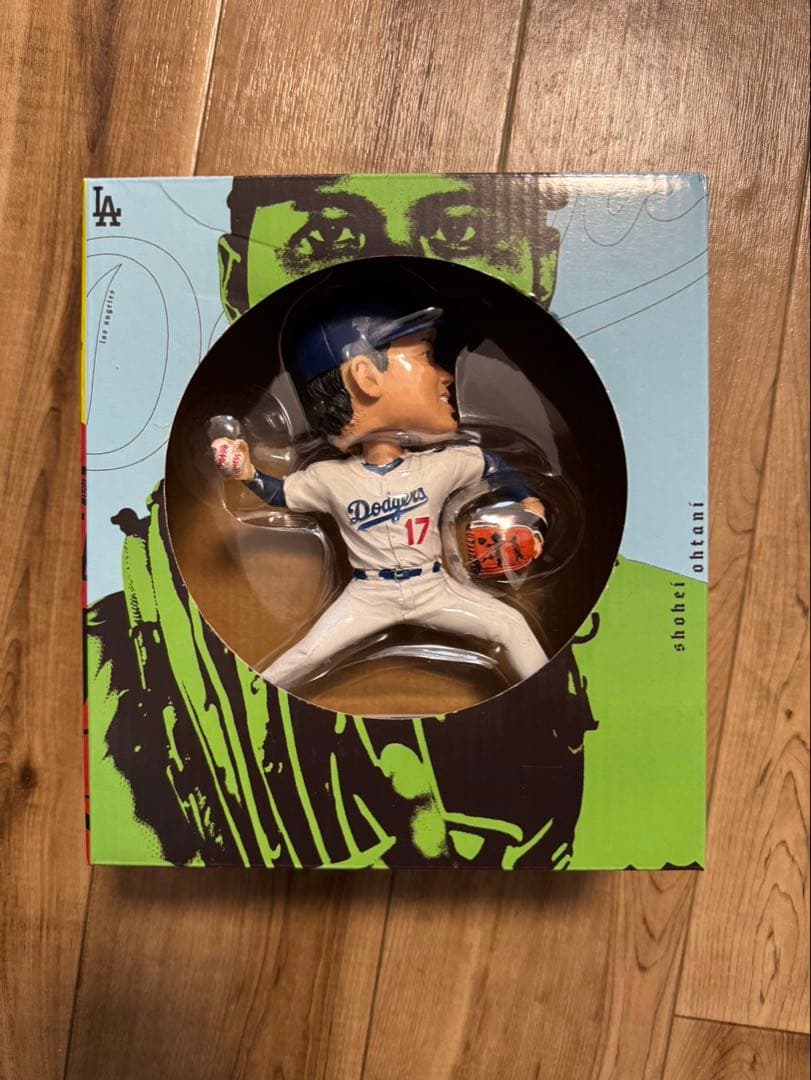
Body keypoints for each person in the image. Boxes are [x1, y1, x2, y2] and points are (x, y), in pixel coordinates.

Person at [211, 283, 550, 688]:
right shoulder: (330, 478)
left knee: (510, 625)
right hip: (369, 595)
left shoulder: (437, 466)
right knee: (307, 654)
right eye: (427, 355)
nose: (446, 375)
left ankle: (548, 697)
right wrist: (248, 473)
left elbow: (491, 465)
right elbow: (283, 495)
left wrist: (528, 502)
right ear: (365, 377)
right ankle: (253, 696)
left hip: (432, 587)